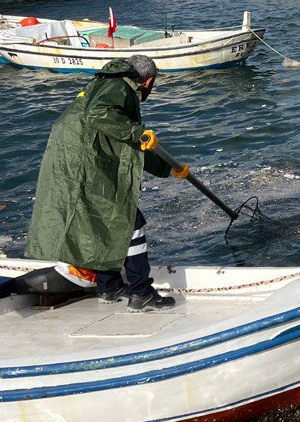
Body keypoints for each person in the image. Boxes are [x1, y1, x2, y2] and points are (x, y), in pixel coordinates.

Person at [27, 55, 189, 310]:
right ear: (147, 81)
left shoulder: (103, 83)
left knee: (97, 219)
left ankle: (109, 286)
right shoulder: (119, 87)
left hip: (71, 160)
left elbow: (127, 144)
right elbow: (100, 115)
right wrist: (137, 132)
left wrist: (167, 168)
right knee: (127, 220)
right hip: (84, 163)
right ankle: (141, 292)